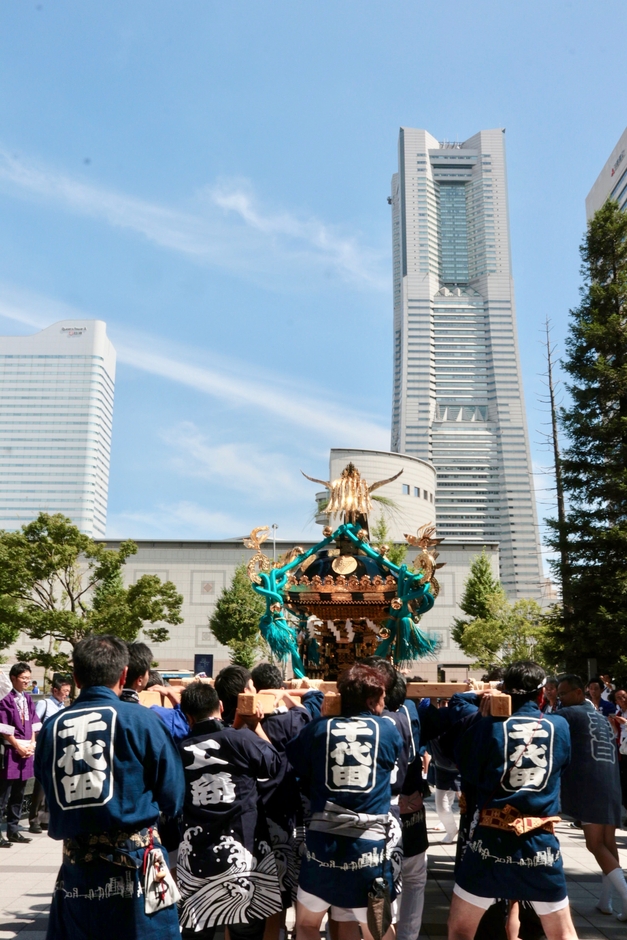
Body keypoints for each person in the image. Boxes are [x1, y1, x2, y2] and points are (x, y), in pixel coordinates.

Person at [34, 635, 185, 940]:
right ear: (124, 675)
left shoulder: (53, 727)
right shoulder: (141, 720)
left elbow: (47, 789)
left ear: (76, 677)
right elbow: (174, 796)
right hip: (138, 859)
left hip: (78, 863)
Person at [446, 661, 577, 940]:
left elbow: (466, 768)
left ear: (504, 692)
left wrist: (485, 716)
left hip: (490, 841)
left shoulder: (489, 727)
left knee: (460, 930)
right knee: (563, 933)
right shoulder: (560, 726)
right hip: (540, 842)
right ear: (542, 696)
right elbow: (562, 766)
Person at [286, 663, 403, 940]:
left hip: (322, 850)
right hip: (369, 854)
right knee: (380, 932)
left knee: (305, 925)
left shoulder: (318, 729)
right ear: (372, 700)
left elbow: (297, 762)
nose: (385, 704)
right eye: (383, 698)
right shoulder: (387, 730)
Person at [177, 680, 283, 940]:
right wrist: (254, 726)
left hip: (197, 856)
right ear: (221, 706)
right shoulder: (242, 739)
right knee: (246, 929)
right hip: (244, 851)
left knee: (197, 928)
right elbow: (273, 765)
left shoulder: (179, 750)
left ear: (188, 717)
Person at [250, 662, 322, 936]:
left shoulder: (252, 721)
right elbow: (309, 705)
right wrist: (288, 696)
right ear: (280, 686)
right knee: (304, 886)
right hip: (300, 811)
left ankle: (276, 931)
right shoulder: (298, 718)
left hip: (268, 813)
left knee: (274, 892)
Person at [557, 673, 626, 920]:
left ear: (578, 693)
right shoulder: (599, 717)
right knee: (608, 844)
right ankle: (606, 901)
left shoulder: (569, 714)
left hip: (591, 785)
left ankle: (626, 897)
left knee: (594, 844)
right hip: (611, 783)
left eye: (563, 693)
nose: (560, 697)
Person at [0, 662, 40, 846]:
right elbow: (4, 728)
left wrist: (32, 743)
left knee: (19, 793)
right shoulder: (5, 700)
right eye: (23, 678)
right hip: (11, 750)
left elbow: (33, 723)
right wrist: (18, 746)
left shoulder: (28, 699)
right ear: (13, 678)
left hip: (26, 750)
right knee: (4, 793)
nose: (27, 681)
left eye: (28, 677)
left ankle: (14, 830)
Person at [29, 676, 71, 833]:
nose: (66, 694)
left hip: (60, 751)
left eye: (68, 691)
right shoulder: (44, 703)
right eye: (64, 691)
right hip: (45, 749)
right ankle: (34, 819)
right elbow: (34, 724)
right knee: (40, 786)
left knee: (53, 786)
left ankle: (47, 818)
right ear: (55, 690)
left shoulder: (63, 707)